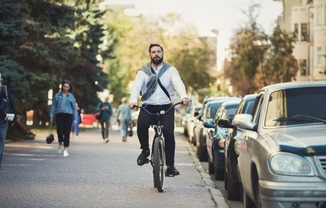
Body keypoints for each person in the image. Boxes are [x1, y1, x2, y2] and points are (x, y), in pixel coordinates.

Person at [128, 43, 189, 176]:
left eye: (159, 52)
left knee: (169, 133)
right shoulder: (143, 71)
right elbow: (136, 87)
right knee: (142, 126)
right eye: (153, 52)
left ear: (162, 53)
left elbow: (178, 83)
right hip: (148, 105)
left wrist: (183, 97)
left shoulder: (170, 70)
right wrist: (133, 100)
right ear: (150, 54)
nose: (156, 54)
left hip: (166, 106)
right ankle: (145, 150)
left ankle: (171, 166)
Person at [50, 80, 77, 157]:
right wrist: (51, 115)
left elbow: (74, 108)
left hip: (69, 115)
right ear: (62, 87)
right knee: (60, 131)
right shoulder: (57, 96)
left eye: (67, 87)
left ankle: (65, 149)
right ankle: (60, 143)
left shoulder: (71, 96)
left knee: (67, 132)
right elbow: (54, 106)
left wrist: (75, 119)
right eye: (64, 86)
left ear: (69, 88)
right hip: (59, 115)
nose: (66, 88)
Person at [0, 75, 16, 170]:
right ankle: (0, 162)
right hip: (4, 117)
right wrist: (14, 117)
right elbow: (11, 102)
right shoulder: (5, 89)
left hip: (3, 118)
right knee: (1, 141)